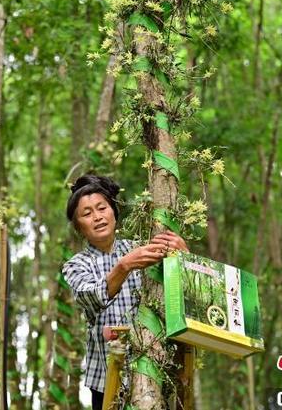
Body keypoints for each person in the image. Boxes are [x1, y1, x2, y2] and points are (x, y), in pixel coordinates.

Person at [62, 174, 188, 410]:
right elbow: (90, 297)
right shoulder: (76, 265)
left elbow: (180, 291)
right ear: (79, 226)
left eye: (102, 208)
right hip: (106, 379)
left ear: (114, 212)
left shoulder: (139, 248)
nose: (97, 217)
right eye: (87, 214)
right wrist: (124, 266)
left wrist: (183, 257)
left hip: (152, 372)